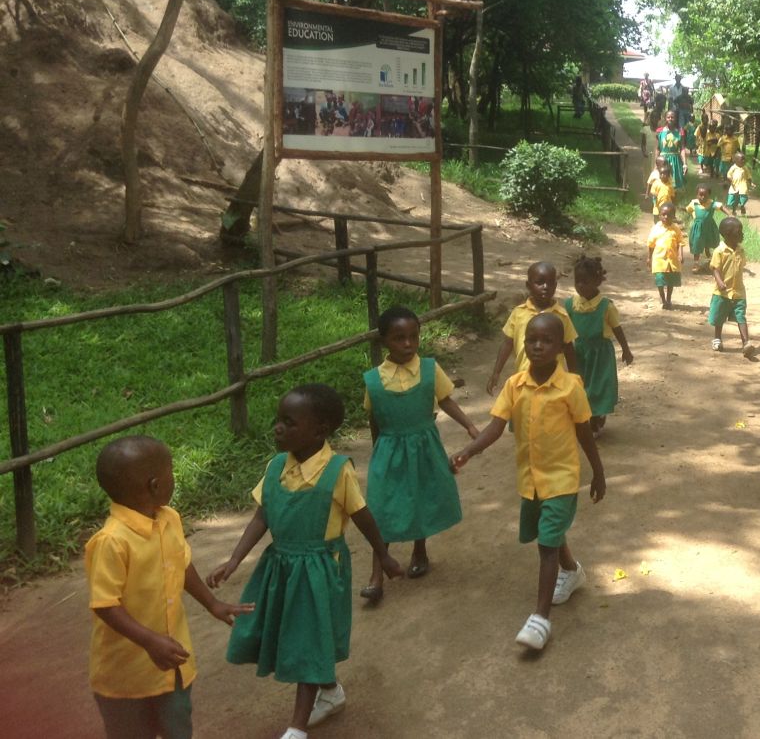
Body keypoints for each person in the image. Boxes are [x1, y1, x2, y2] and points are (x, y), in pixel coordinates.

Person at [209, 385, 403, 739]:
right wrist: (234, 559)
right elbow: (262, 516)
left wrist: (384, 555)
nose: (278, 428)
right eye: (277, 420)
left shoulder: (337, 471)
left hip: (319, 570)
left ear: (319, 430)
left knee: (308, 641)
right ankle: (330, 691)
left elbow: (363, 516)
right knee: (296, 635)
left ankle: (297, 727)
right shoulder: (275, 468)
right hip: (281, 568)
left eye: (289, 422)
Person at [452, 314, 606, 651]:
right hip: (531, 477)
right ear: (524, 344)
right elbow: (496, 426)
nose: (538, 346)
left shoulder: (571, 387)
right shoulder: (515, 384)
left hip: (562, 478)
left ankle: (540, 619)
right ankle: (572, 571)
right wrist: (469, 451)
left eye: (547, 341)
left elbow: (584, 432)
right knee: (550, 531)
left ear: (561, 347)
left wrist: (598, 472)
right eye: (532, 340)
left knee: (546, 544)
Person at [86, 436, 249, 739]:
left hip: (172, 664)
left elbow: (181, 564)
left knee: (178, 728)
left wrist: (212, 603)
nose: (173, 477)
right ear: (155, 485)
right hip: (126, 675)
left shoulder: (169, 519)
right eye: (171, 471)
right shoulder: (112, 542)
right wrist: (149, 641)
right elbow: (105, 604)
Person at [359, 306, 479, 603]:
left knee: (421, 496)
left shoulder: (429, 369)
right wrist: (378, 453)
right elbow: (374, 417)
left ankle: (420, 550)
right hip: (389, 450)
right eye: (399, 338)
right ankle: (376, 573)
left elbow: (446, 400)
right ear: (384, 340)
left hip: (424, 448)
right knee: (381, 507)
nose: (408, 343)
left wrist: (469, 425)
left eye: (414, 336)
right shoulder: (373, 379)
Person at [565, 255, 635, 436]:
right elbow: (563, 328)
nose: (580, 286)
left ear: (597, 282)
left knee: (599, 386)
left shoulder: (606, 306)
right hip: (579, 353)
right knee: (581, 386)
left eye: (585, 282)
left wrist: (626, 350)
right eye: (577, 281)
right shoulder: (571, 305)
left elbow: (617, 329)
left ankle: (597, 418)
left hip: (600, 354)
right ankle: (585, 418)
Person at [488, 261, 578, 393]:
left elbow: (569, 348)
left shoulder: (562, 316)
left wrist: (574, 377)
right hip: (524, 379)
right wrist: (496, 372)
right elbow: (507, 343)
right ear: (528, 285)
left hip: (553, 381)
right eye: (539, 282)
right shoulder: (519, 313)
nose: (545, 287)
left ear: (555, 285)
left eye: (550, 283)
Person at [708, 216, 754, 357]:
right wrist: (720, 281)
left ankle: (746, 343)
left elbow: (741, 266)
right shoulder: (719, 251)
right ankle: (717, 338)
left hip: (738, 291)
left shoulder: (741, 250)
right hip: (722, 292)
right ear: (728, 235)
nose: (742, 234)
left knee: (741, 316)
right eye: (738, 232)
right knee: (719, 317)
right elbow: (714, 268)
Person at [648, 202, 686, 311]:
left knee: (670, 281)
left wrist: (680, 254)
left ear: (673, 216)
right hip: (659, 260)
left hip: (672, 260)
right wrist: (649, 258)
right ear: (659, 215)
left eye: (669, 215)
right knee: (660, 280)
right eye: (663, 214)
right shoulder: (656, 228)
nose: (666, 217)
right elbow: (651, 244)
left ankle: (669, 299)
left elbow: (680, 242)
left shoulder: (676, 229)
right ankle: (663, 299)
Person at [685, 184, 726, 270]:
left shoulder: (712, 203)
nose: (702, 197)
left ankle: (710, 257)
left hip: (709, 227)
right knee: (697, 243)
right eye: (700, 195)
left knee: (709, 241)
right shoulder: (694, 203)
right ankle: (696, 263)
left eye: (705, 195)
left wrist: (729, 214)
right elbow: (688, 209)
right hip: (698, 228)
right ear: (697, 195)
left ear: (709, 195)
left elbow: (721, 206)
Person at [656, 111, 686, 189]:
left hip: (675, 161)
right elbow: (658, 148)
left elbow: (682, 149)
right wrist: (656, 164)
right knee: (662, 184)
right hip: (663, 160)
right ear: (665, 118)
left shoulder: (680, 132)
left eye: (672, 117)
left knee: (674, 185)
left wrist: (684, 164)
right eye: (668, 117)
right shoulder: (660, 131)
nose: (670, 119)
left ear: (675, 119)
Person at [725, 151, 753, 216]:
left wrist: (751, 183)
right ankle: (733, 210)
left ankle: (742, 205)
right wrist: (730, 179)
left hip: (743, 185)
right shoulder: (733, 167)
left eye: (744, 160)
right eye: (741, 160)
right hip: (734, 186)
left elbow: (749, 176)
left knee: (744, 197)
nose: (743, 161)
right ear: (736, 161)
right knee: (733, 198)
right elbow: (729, 175)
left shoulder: (745, 168)